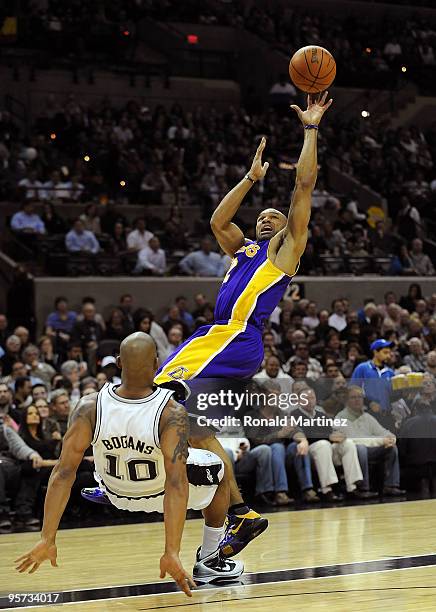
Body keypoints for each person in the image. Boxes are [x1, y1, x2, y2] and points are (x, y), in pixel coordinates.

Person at [86, 93, 333, 558]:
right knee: (188, 420)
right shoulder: (242, 249)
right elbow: (219, 219)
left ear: (288, 229)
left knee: (148, 390)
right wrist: (249, 178)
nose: (265, 217)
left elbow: (304, 185)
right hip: (217, 336)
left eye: (273, 216)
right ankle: (240, 513)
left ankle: (113, 477)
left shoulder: (285, 252)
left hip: (236, 335)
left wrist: (311, 128)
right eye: (262, 214)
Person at [16, 333, 243, 593]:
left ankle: (104, 489)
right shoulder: (171, 412)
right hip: (157, 493)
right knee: (218, 465)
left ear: (119, 362)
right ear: (157, 363)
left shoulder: (88, 406)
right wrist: (171, 551)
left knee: (95, 461)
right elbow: (177, 483)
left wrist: (47, 537)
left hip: (115, 494)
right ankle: (210, 559)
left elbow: (63, 473)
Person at [336, 386, 405, 496]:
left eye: (360, 397)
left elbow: (383, 431)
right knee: (361, 449)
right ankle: (363, 488)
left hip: (371, 449)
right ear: (346, 400)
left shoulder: (367, 416)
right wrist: (382, 441)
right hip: (352, 452)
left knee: (392, 448)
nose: (357, 400)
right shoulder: (341, 418)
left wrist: (390, 438)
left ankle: (391, 485)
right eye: (353, 397)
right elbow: (354, 440)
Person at [350, 339, 395, 413]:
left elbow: (391, 395)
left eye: (389, 353)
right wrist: (369, 403)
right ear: (375, 352)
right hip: (366, 412)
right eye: (385, 352)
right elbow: (352, 389)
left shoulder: (390, 372)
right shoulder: (362, 368)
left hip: (386, 413)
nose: (388, 356)